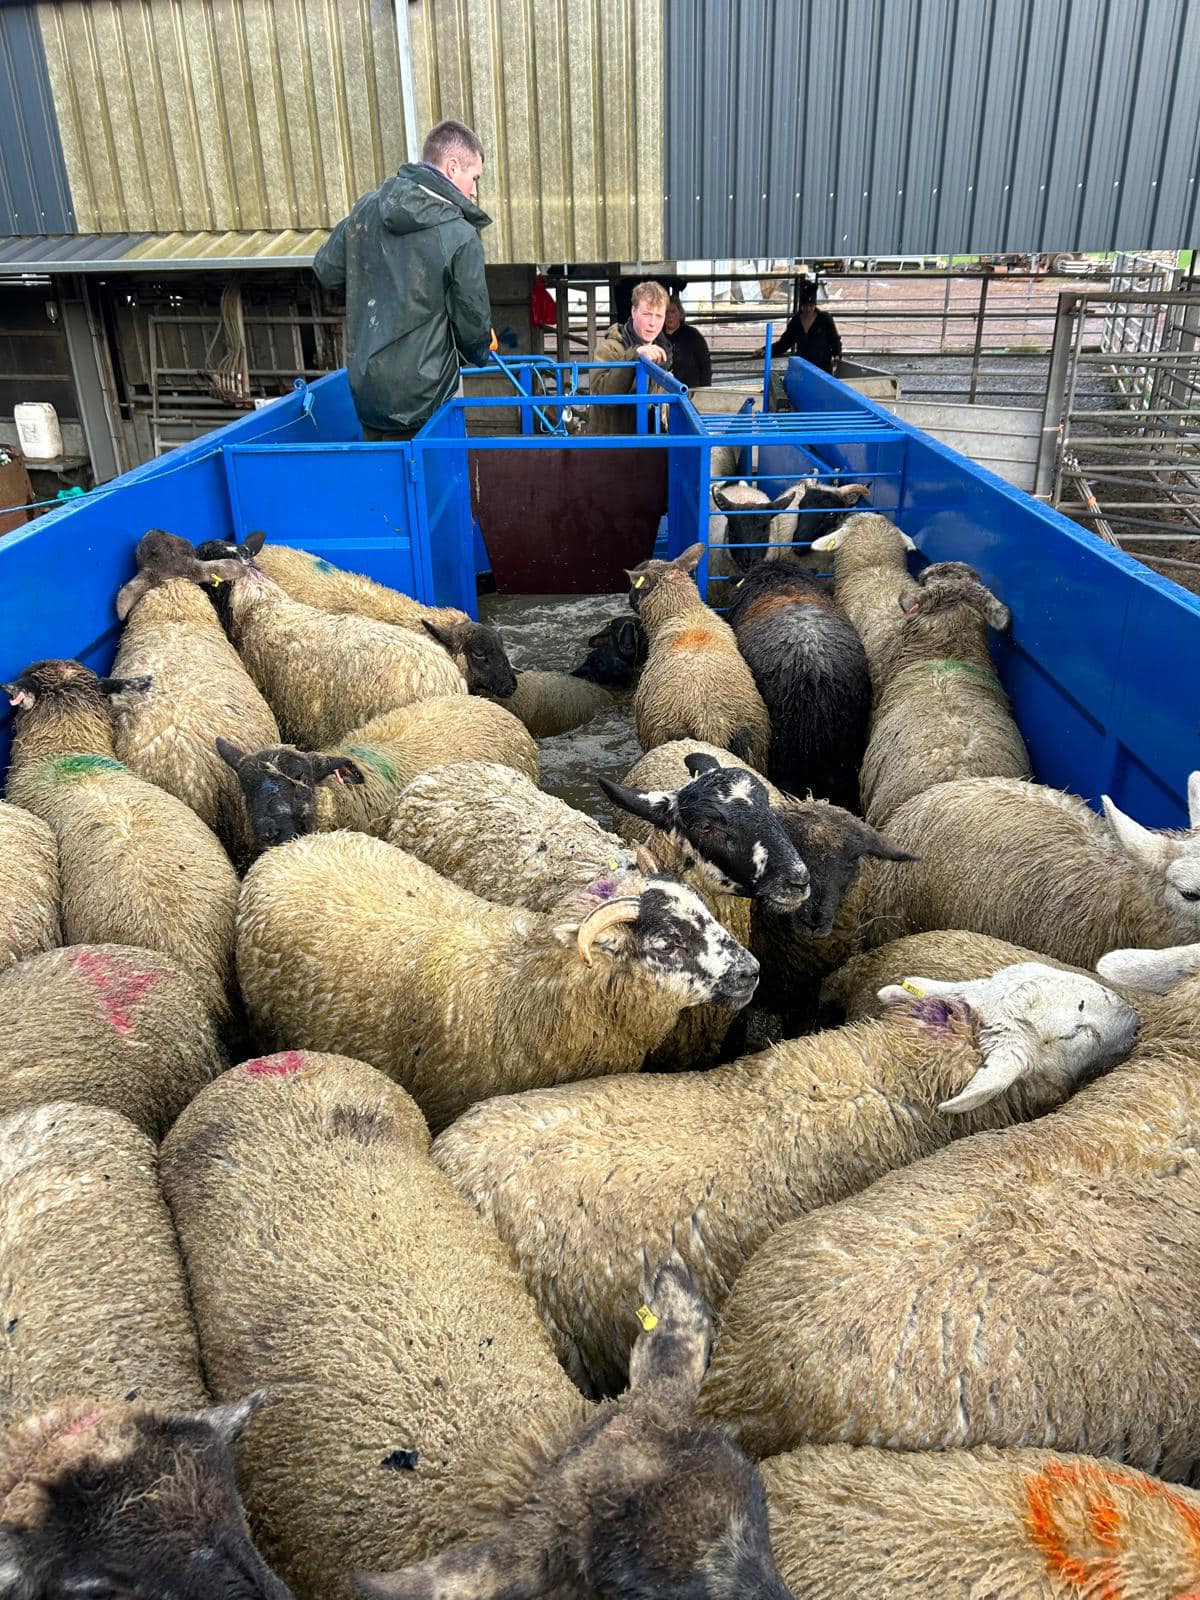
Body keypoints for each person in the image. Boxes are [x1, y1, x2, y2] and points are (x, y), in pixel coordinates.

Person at [313, 119, 494, 440]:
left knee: (383, 469)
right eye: (474, 178)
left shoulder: (366, 209)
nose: (474, 191)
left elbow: (327, 270)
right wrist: (480, 349)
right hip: (428, 397)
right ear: (453, 167)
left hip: (368, 390)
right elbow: (471, 322)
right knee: (436, 471)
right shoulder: (460, 234)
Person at [588, 280, 673, 435]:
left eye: (659, 316)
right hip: (613, 443)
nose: (653, 323)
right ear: (633, 311)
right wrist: (634, 356)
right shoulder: (609, 349)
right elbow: (602, 396)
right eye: (646, 314)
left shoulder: (664, 352)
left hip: (648, 442)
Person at [768, 278, 842, 375]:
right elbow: (784, 343)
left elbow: (834, 339)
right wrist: (766, 350)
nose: (808, 309)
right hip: (803, 367)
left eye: (811, 305)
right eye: (805, 306)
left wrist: (837, 354)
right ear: (801, 305)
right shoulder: (796, 321)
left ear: (815, 304)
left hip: (822, 367)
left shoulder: (824, 318)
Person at [664, 295, 712, 390]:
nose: (669, 316)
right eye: (666, 312)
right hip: (663, 391)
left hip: (690, 390)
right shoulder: (657, 336)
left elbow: (705, 364)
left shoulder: (692, 335)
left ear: (680, 314)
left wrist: (704, 390)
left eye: (673, 311)